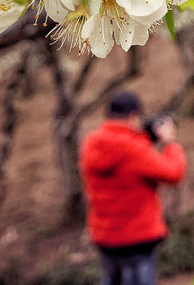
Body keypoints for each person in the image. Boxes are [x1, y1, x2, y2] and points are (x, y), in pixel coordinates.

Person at [79, 90, 186, 285]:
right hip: (137, 238)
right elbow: (173, 173)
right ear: (134, 116)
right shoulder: (133, 149)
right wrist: (170, 143)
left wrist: (144, 140)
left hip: (105, 237)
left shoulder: (91, 144)